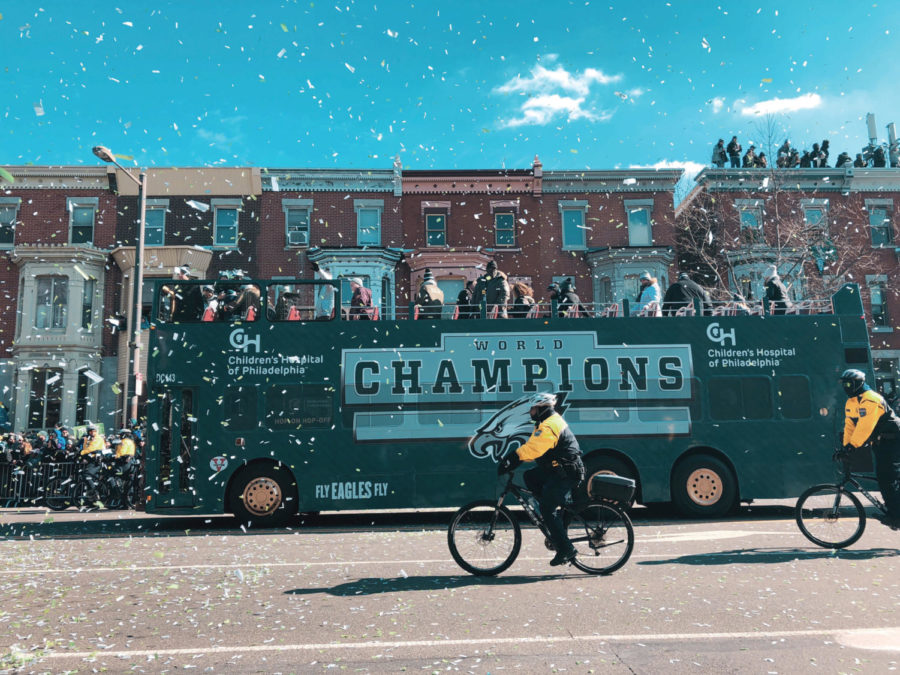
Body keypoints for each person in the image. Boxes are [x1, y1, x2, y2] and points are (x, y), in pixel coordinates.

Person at [497, 392, 585, 566]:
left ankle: (566, 549)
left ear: (541, 409)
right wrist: (517, 459)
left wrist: (512, 459)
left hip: (567, 472)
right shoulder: (547, 422)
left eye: (533, 408)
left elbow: (534, 448)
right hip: (558, 469)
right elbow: (535, 449)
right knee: (530, 476)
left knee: (547, 508)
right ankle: (551, 517)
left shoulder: (549, 426)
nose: (530, 412)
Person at [840, 369, 900, 528]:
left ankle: (896, 516)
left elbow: (865, 427)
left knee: (888, 478)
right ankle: (894, 512)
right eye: (843, 384)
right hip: (881, 443)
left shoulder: (871, 400)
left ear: (858, 384)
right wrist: (845, 446)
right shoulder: (852, 401)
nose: (845, 387)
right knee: (883, 476)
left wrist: (853, 446)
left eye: (848, 384)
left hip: (894, 440)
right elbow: (850, 426)